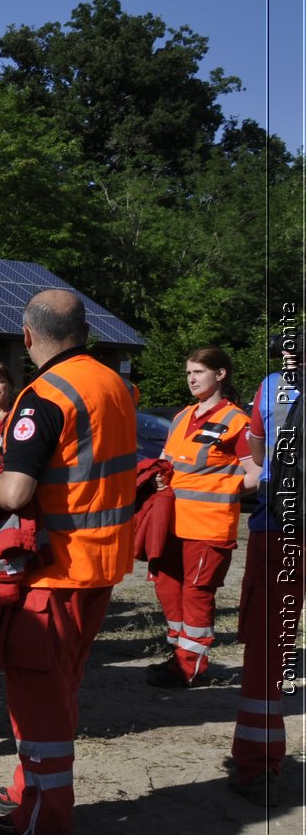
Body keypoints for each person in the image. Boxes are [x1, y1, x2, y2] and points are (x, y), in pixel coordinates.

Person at [0, 289, 136, 835]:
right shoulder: (116, 385)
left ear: (27, 335)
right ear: (84, 331)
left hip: (55, 571)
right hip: (102, 564)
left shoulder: (43, 396)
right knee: (60, 688)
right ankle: (27, 790)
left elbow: (15, 492)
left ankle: (42, 818)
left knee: (37, 695)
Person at [149, 346, 249, 688]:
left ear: (220, 374)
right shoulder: (181, 417)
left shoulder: (238, 421)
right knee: (168, 587)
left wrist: (225, 488)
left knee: (196, 593)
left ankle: (190, 665)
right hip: (172, 522)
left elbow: (256, 473)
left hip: (209, 523)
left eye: (199, 372)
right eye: (188, 372)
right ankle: (177, 654)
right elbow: (169, 462)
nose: (191, 378)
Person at [229, 341, 299, 806]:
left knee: (269, 649)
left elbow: (257, 450)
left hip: (279, 528)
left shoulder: (272, 389)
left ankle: (259, 765)